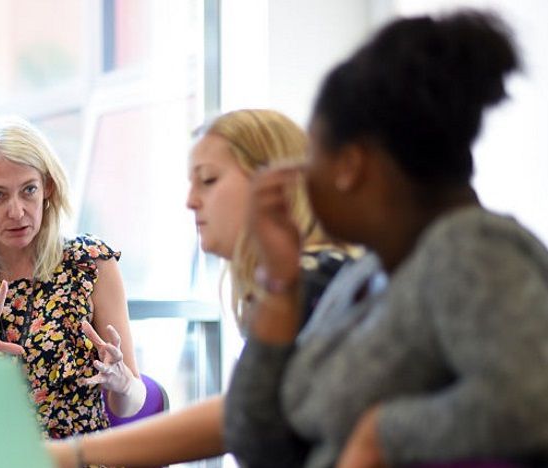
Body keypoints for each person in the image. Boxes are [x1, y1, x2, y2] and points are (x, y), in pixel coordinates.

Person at [225, 10, 548, 468]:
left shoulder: (469, 249)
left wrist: (382, 434)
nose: (299, 176)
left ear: (349, 166)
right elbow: (260, 445)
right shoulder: (370, 273)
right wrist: (279, 285)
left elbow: (531, 401)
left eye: (311, 153)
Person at [46, 109, 355, 467]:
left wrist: (72, 454)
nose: (191, 200)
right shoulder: (300, 281)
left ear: (276, 185)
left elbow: (238, 415)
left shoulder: (316, 282)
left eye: (208, 180)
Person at [0, 115, 146, 440]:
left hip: (73, 461)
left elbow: (132, 401)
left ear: (47, 186)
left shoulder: (90, 265)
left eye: (29, 190)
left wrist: (122, 382)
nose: (17, 211)